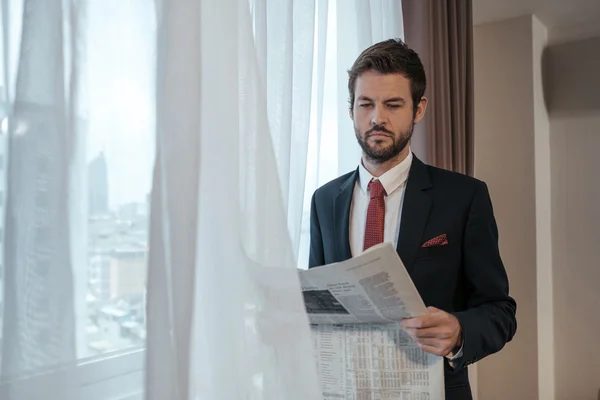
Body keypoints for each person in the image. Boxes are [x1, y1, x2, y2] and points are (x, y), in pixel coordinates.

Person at [308, 38, 517, 400]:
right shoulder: (324, 200)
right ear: (351, 109)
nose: (377, 118)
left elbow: (500, 312)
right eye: (366, 104)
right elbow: (321, 309)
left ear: (418, 109)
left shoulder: (464, 197)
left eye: (393, 104)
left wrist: (458, 331)